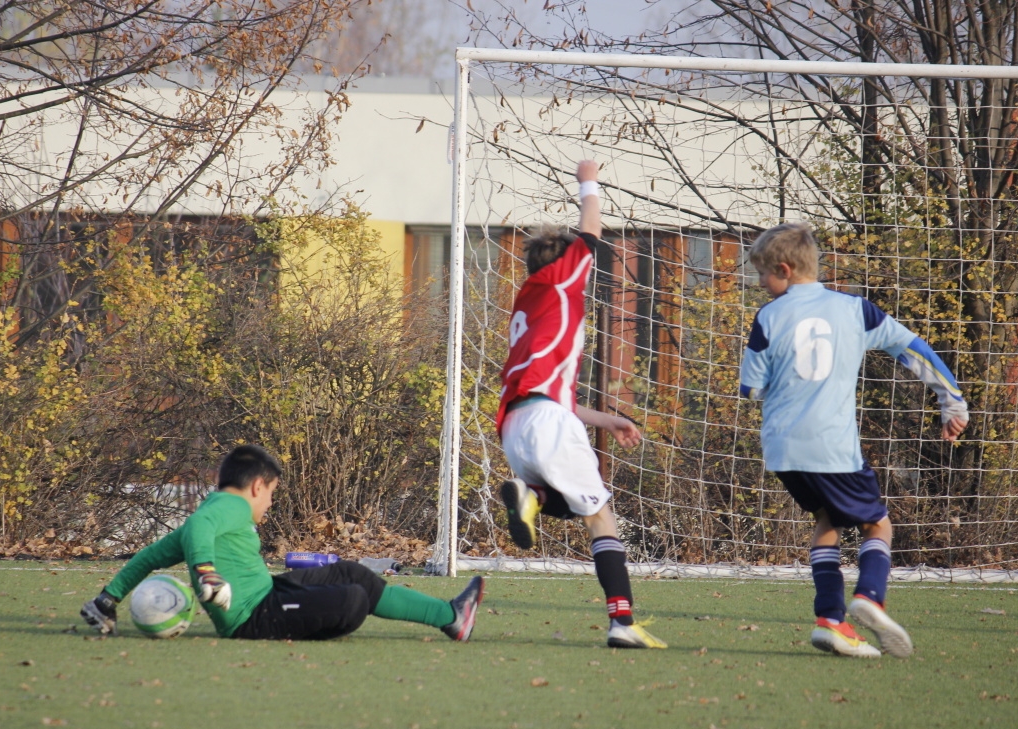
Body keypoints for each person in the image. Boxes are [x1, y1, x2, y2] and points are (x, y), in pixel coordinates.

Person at [739, 222, 969, 658]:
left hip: (783, 449)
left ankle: (830, 620)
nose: (760, 284)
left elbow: (751, 389)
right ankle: (869, 595)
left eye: (763, 275)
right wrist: (951, 402)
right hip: (832, 445)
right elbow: (914, 350)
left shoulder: (768, 316)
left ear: (784, 269)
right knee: (877, 523)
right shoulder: (854, 310)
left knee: (826, 520)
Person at [495, 159, 667, 650]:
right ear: (566, 261)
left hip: (518, 425)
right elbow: (590, 232)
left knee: (569, 507)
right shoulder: (561, 282)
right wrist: (588, 180)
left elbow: (557, 395)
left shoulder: (527, 302)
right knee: (600, 518)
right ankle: (622, 622)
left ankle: (531, 498)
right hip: (546, 420)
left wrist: (608, 419)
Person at [81, 445, 484, 642]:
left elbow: (151, 555)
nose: (271, 501)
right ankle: (447, 616)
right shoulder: (226, 508)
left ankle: (451, 615)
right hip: (251, 619)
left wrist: (108, 598)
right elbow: (202, 527)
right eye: (271, 491)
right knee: (352, 600)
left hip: (270, 593)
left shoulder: (217, 510)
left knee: (354, 574)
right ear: (257, 485)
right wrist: (207, 572)